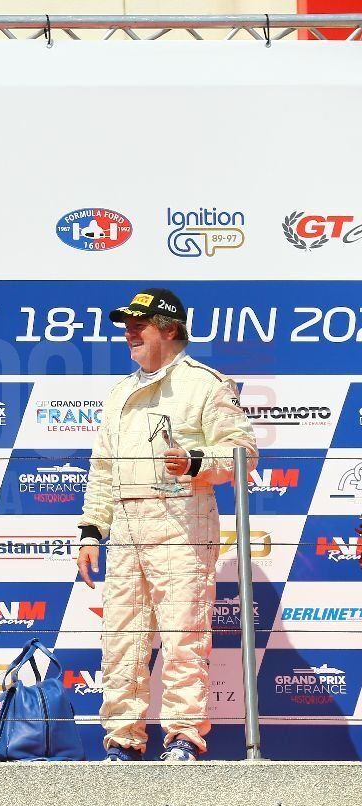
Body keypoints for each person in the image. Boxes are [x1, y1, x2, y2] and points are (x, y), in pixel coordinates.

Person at [75, 287, 256, 763]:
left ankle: (183, 739)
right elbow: (104, 469)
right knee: (121, 640)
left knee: (183, 638)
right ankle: (122, 741)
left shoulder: (206, 384)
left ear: (170, 329)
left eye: (140, 325)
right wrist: (92, 530)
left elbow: (242, 452)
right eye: (127, 326)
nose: (129, 333)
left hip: (182, 522)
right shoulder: (120, 392)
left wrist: (196, 461)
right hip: (127, 527)